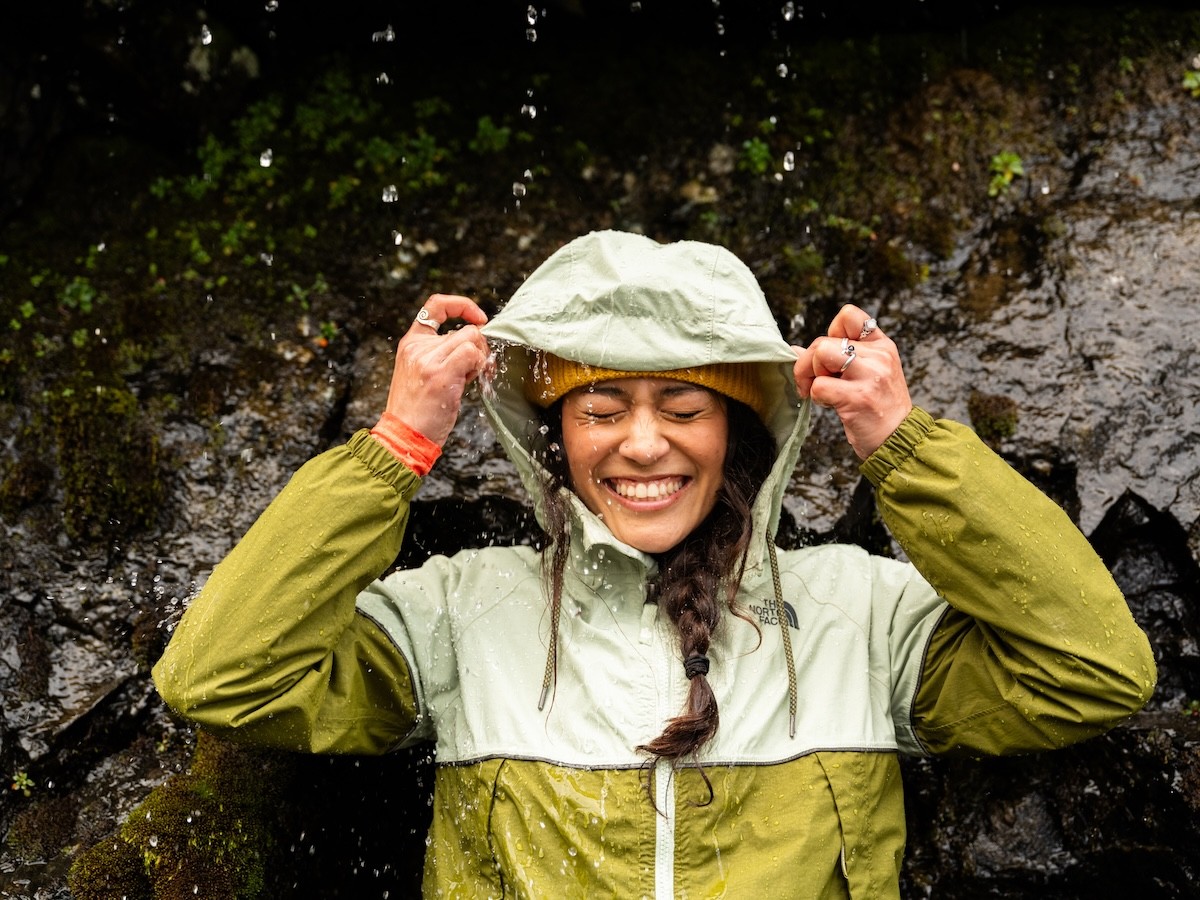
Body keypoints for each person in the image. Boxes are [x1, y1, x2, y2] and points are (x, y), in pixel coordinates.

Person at [153, 229, 1156, 898]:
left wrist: (901, 443)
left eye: (683, 409)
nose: (642, 446)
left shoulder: (864, 613)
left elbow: (1093, 670)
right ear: (555, 437)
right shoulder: (460, 614)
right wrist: (397, 447)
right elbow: (220, 677)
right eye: (600, 411)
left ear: (740, 431)